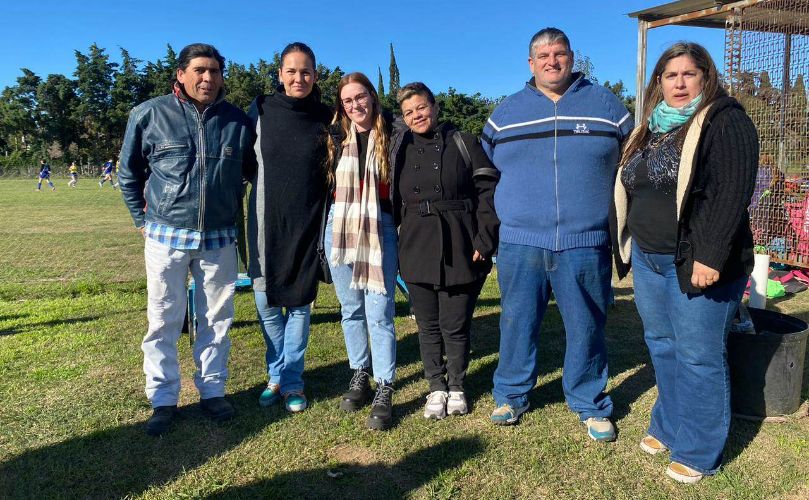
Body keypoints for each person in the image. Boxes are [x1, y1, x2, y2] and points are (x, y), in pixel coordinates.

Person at [610, 42, 758, 483]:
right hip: (651, 259)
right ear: (659, 82)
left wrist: (710, 256)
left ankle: (698, 448)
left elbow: (731, 193)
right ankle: (668, 424)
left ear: (705, 77)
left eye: (688, 74)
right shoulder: (649, 129)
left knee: (698, 355)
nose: (678, 83)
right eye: (670, 75)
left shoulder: (724, 120)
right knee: (661, 343)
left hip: (697, 260)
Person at [482, 27, 633, 439]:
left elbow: (632, 160)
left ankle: (589, 401)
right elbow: (489, 169)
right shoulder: (505, 113)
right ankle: (511, 394)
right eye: (543, 55)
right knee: (516, 321)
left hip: (586, 242)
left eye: (560, 53)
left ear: (572, 58)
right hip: (520, 241)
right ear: (530, 64)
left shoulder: (606, 105)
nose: (552, 61)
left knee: (586, 325)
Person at [118, 43, 255, 436]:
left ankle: (212, 391)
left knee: (217, 319)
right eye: (199, 70)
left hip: (219, 238)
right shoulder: (148, 114)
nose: (207, 78)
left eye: (214, 71)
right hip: (165, 236)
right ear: (180, 74)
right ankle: (162, 399)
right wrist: (141, 221)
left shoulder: (236, 121)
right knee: (163, 319)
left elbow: (248, 171)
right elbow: (129, 174)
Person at [393, 82, 499, 420]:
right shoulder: (399, 150)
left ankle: (456, 386)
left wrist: (485, 238)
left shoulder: (464, 142)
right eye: (409, 112)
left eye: (421, 107)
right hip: (416, 244)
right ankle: (435, 387)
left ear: (435, 107)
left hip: (459, 241)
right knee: (427, 325)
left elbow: (488, 192)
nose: (417, 115)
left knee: (455, 324)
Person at [247, 42, 332, 414]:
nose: (299, 78)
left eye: (306, 71)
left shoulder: (328, 117)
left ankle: (290, 381)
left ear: (316, 75)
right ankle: (277, 375)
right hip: (266, 224)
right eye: (292, 71)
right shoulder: (261, 110)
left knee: (299, 308)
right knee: (266, 304)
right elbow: (242, 163)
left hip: (307, 227)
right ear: (280, 74)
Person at [325, 72, 398, 430]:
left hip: (379, 227)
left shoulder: (394, 134)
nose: (355, 105)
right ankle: (360, 373)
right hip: (340, 227)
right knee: (350, 309)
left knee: (379, 311)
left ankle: (385, 385)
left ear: (372, 96)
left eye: (361, 96)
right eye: (348, 100)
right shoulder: (335, 138)